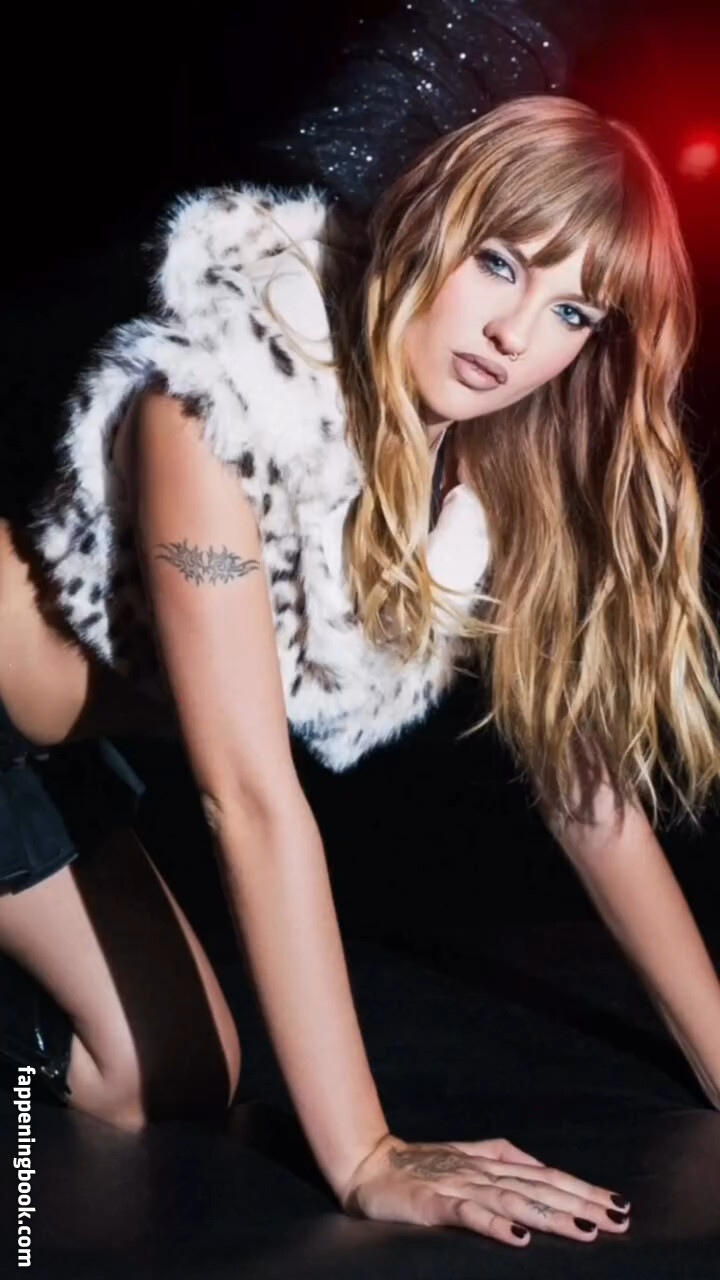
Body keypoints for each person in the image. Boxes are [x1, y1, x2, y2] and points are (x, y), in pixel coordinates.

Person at [1, 91, 719, 1249]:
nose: (514, 332)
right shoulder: (226, 398)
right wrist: (368, 1152)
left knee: (164, 1075)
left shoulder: (487, 492)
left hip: (51, 766)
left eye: (571, 308)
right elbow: (248, 793)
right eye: (499, 262)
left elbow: (589, 793)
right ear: (432, 221)